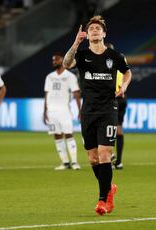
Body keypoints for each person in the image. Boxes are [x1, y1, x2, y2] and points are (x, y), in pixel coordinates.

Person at [63, 15, 132, 215]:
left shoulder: (115, 56)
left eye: (97, 28)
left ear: (104, 33)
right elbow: (67, 64)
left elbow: (127, 72)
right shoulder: (82, 56)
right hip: (88, 112)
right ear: (87, 34)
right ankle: (109, 188)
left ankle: (102, 201)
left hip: (108, 110)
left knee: (104, 154)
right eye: (91, 28)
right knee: (93, 159)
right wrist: (76, 42)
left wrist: (124, 85)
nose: (94, 30)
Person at [43, 52, 82, 170]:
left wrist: (80, 110)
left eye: (57, 60)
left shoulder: (70, 76)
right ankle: (65, 163)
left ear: (62, 60)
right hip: (51, 111)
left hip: (64, 110)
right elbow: (47, 94)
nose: (54, 62)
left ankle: (74, 162)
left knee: (69, 135)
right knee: (57, 136)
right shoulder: (49, 77)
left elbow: (76, 93)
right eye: (53, 60)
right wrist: (44, 110)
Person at [105, 43, 127, 170]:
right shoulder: (121, 59)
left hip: (111, 98)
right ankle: (118, 161)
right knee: (118, 129)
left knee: (103, 127)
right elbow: (127, 74)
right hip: (122, 97)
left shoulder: (106, 61)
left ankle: (110, 155)